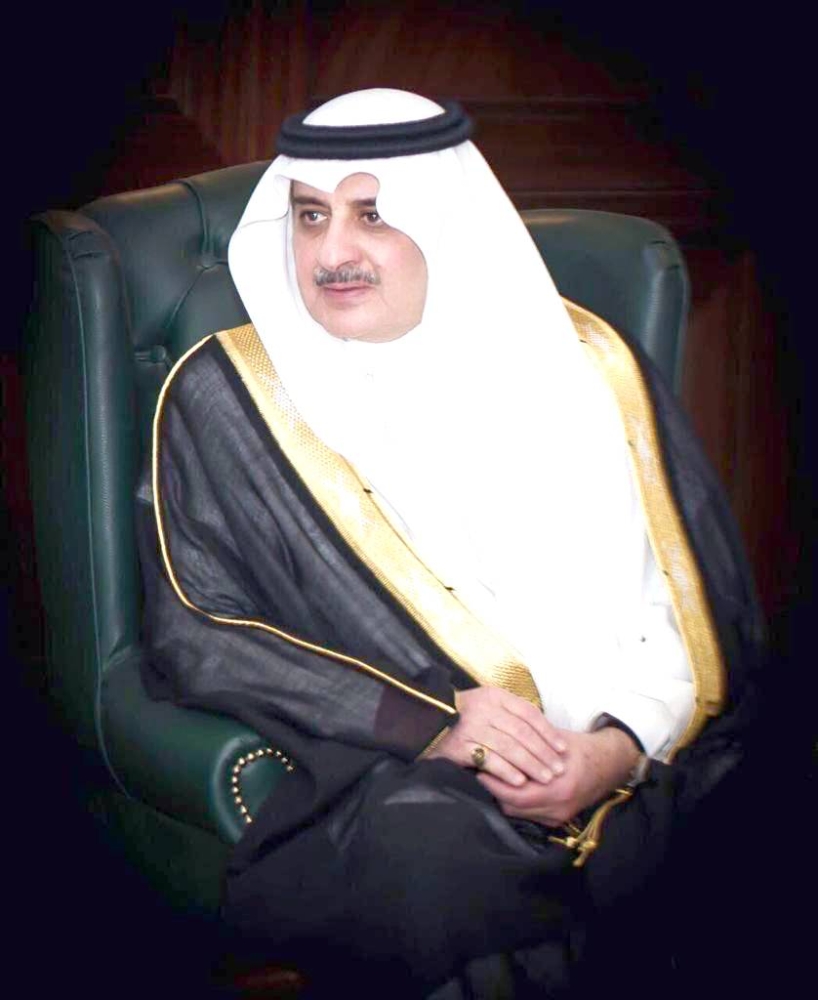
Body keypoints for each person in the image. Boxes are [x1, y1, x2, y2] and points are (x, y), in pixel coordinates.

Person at [137, 89, 762, 997]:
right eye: (309, 216)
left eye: (372, 215)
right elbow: (197, 629)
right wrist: (430, 726)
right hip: (405, 770)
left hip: (635, 762)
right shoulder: (230, 396)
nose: (332, 252)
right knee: (431, 860)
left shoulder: (589, 368)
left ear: (445, 222)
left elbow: (681, 608)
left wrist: (617, 748)